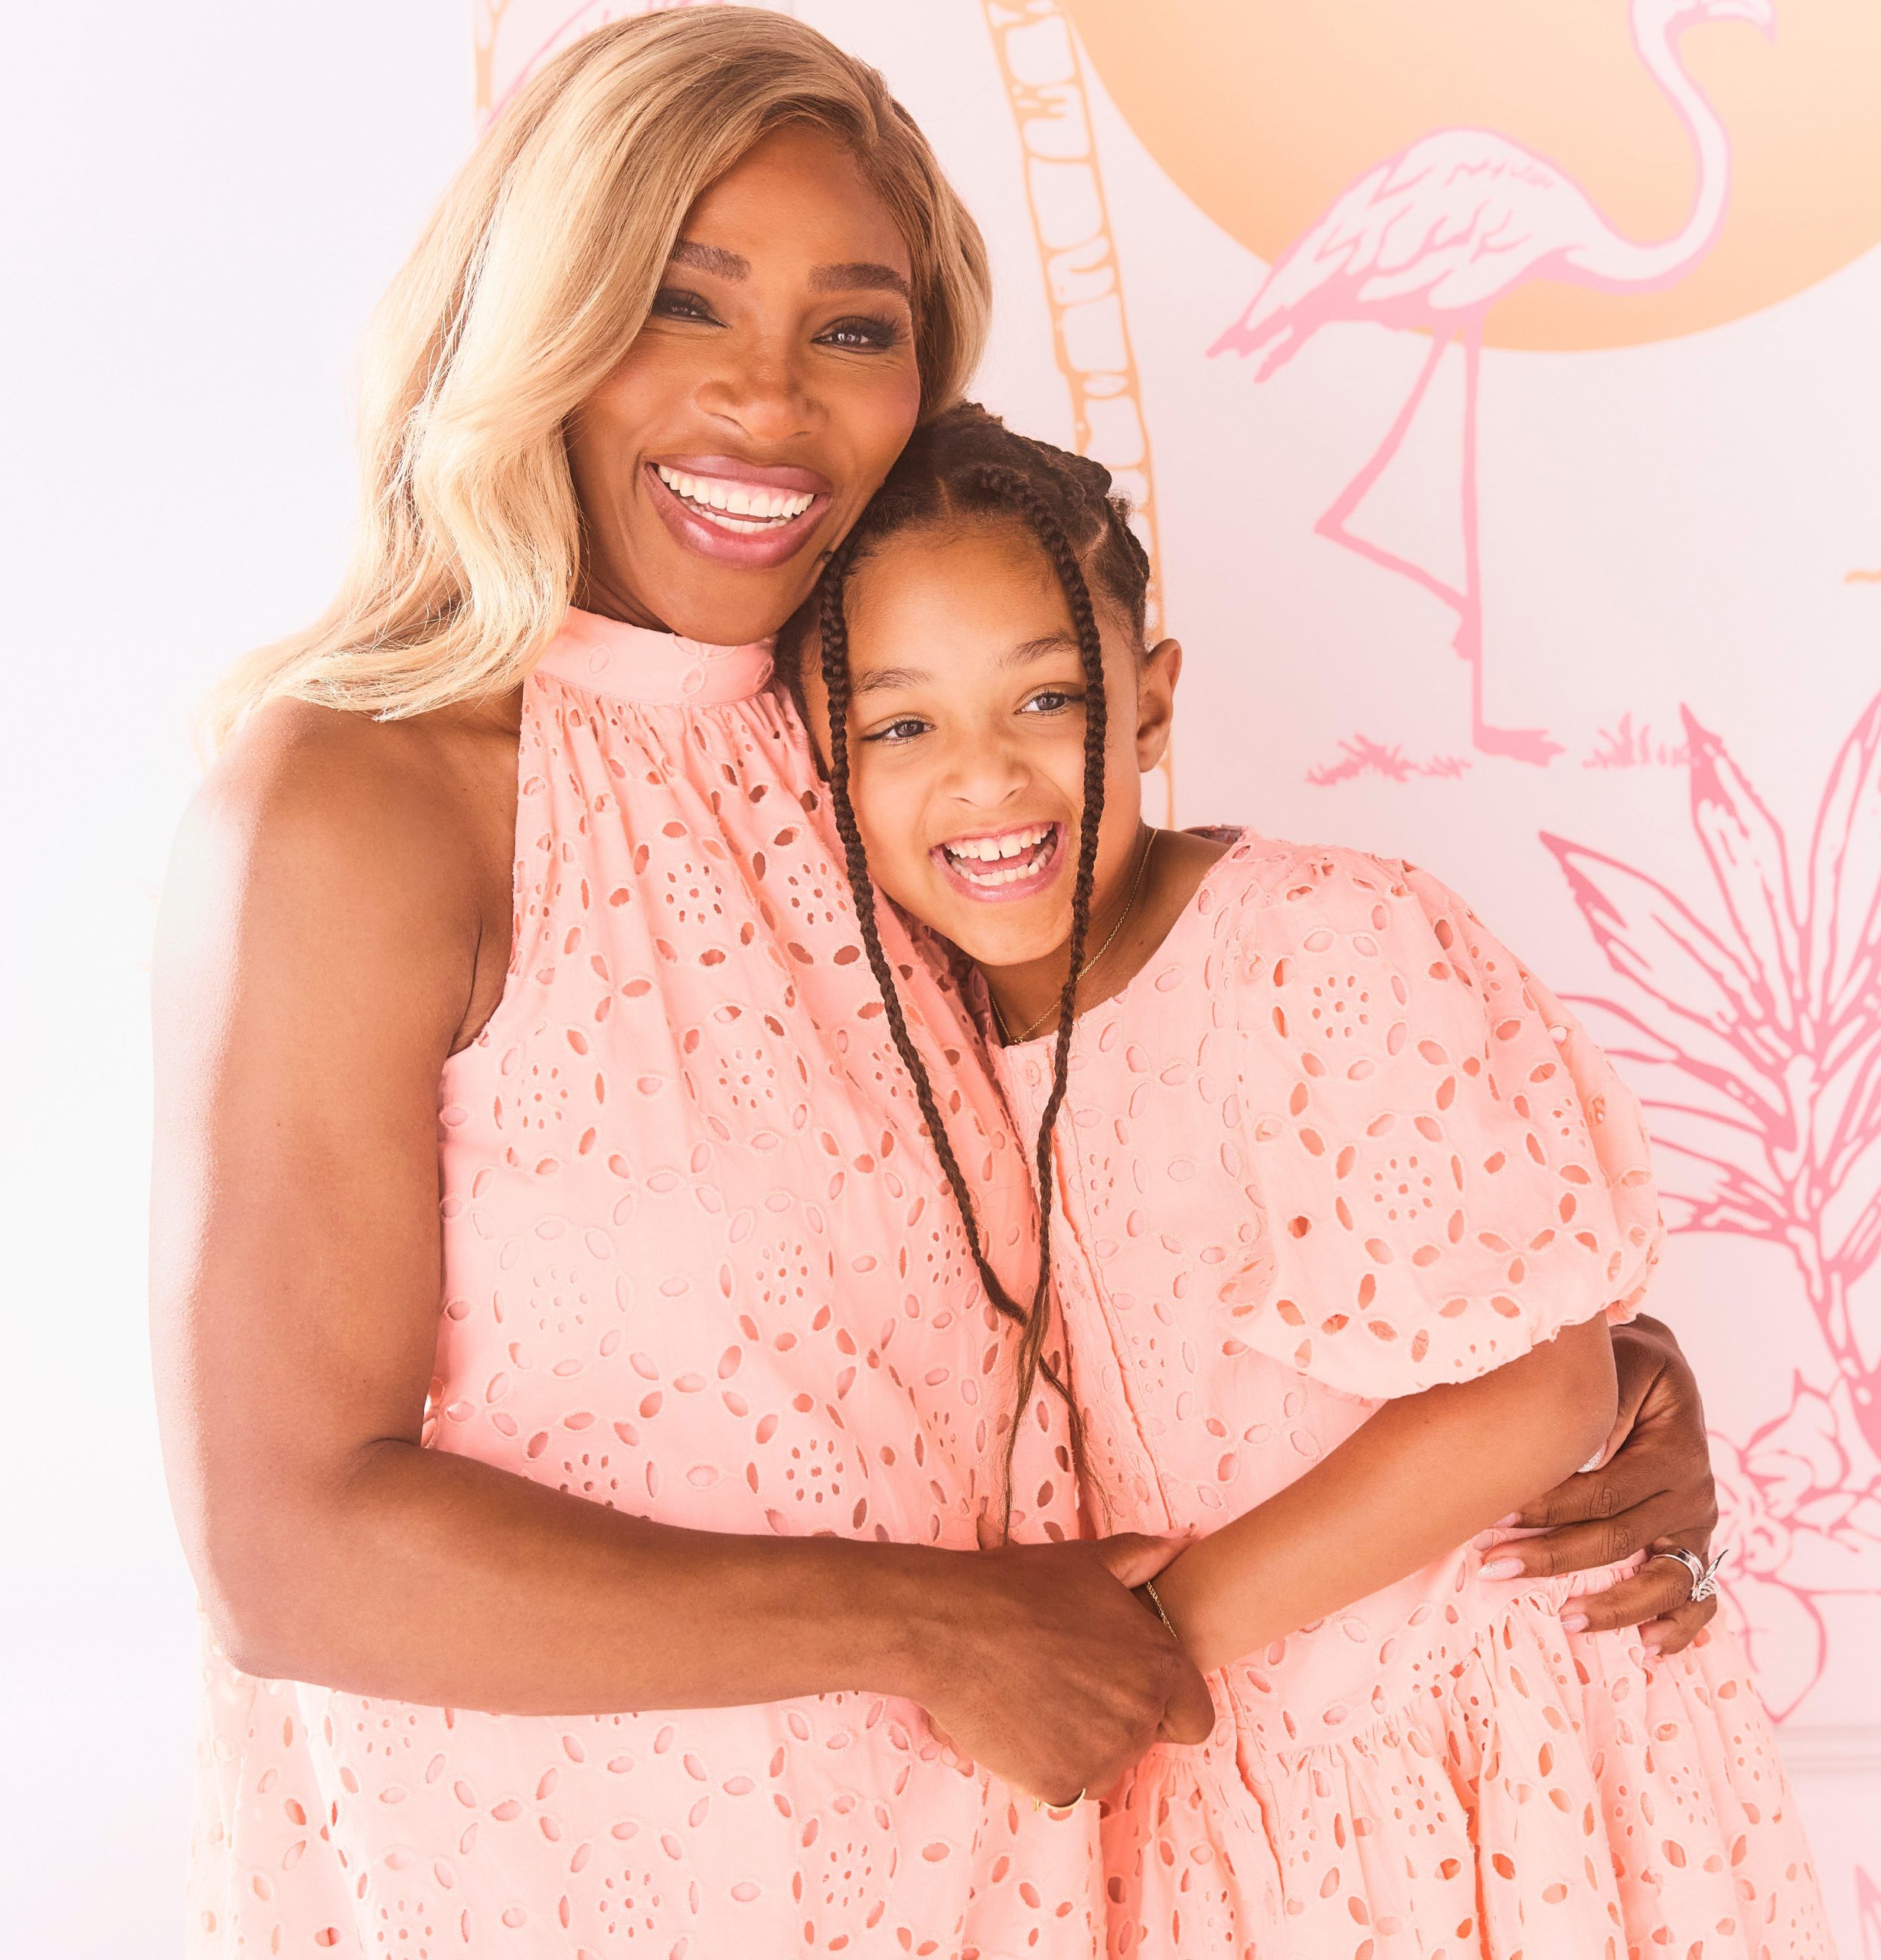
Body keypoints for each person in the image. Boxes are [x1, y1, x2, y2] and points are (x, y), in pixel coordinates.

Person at [150, 11, 1726, 1955]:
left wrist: (1579, 1376)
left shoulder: (872, 753)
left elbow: (1134, 1199)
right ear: (532, 320)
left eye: (851, 325)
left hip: (1013, 1875)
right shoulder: (359, 800)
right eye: (678, 300)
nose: (765, 395)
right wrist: (935, 1627)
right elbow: (288, 1549)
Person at [792, 402, 1836, 1958]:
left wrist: (1140, 1646)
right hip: (1229, 1804)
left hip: (1486, 1762)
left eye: (1047, 698)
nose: (985, 775)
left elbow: (1539, 1387)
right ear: (819, 757)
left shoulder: (1317, 945)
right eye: (900, 726)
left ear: (1151, 702)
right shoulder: (913, 1049)